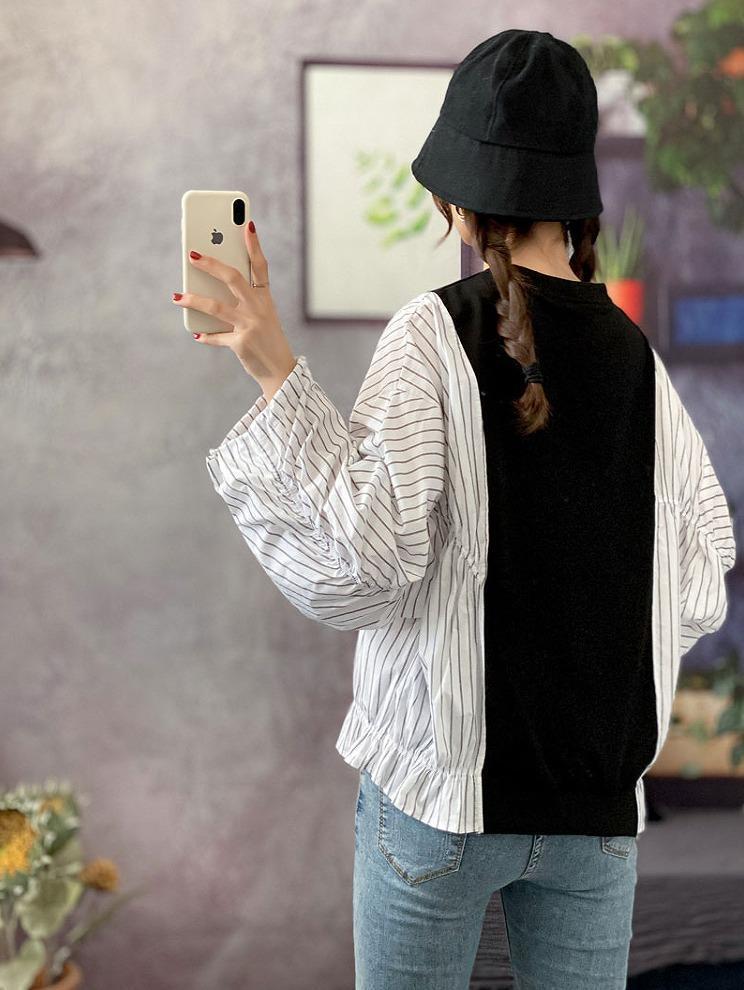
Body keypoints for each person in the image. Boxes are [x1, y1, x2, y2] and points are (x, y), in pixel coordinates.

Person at [186, 28, 736, 990]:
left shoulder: (433, 334)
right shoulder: (637, 358)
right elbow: (696, 585)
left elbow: (362, 565)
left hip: (441, 807)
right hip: (595, 819)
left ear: (458, 200)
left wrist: (272, 367)